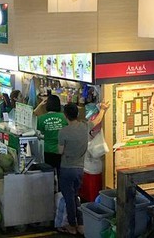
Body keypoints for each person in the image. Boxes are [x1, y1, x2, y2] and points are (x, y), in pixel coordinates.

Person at [57, 101, 109, 235]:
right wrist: (103, 109)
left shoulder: (63, 131)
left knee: (69, 198)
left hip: (67, 168)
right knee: (76, 196)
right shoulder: (85, 126)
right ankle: (81, 224)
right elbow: (97, 120)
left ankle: (72, 226)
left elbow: (60, 151)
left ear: (65, 115)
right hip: (80, 169)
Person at [37, 95, 68, 173]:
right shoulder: (65, 117)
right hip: (62, 150)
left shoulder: (41, 119)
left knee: (49, 174)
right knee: (61, 173)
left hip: (47, 151)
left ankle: (51, 184)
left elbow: (38, 133)